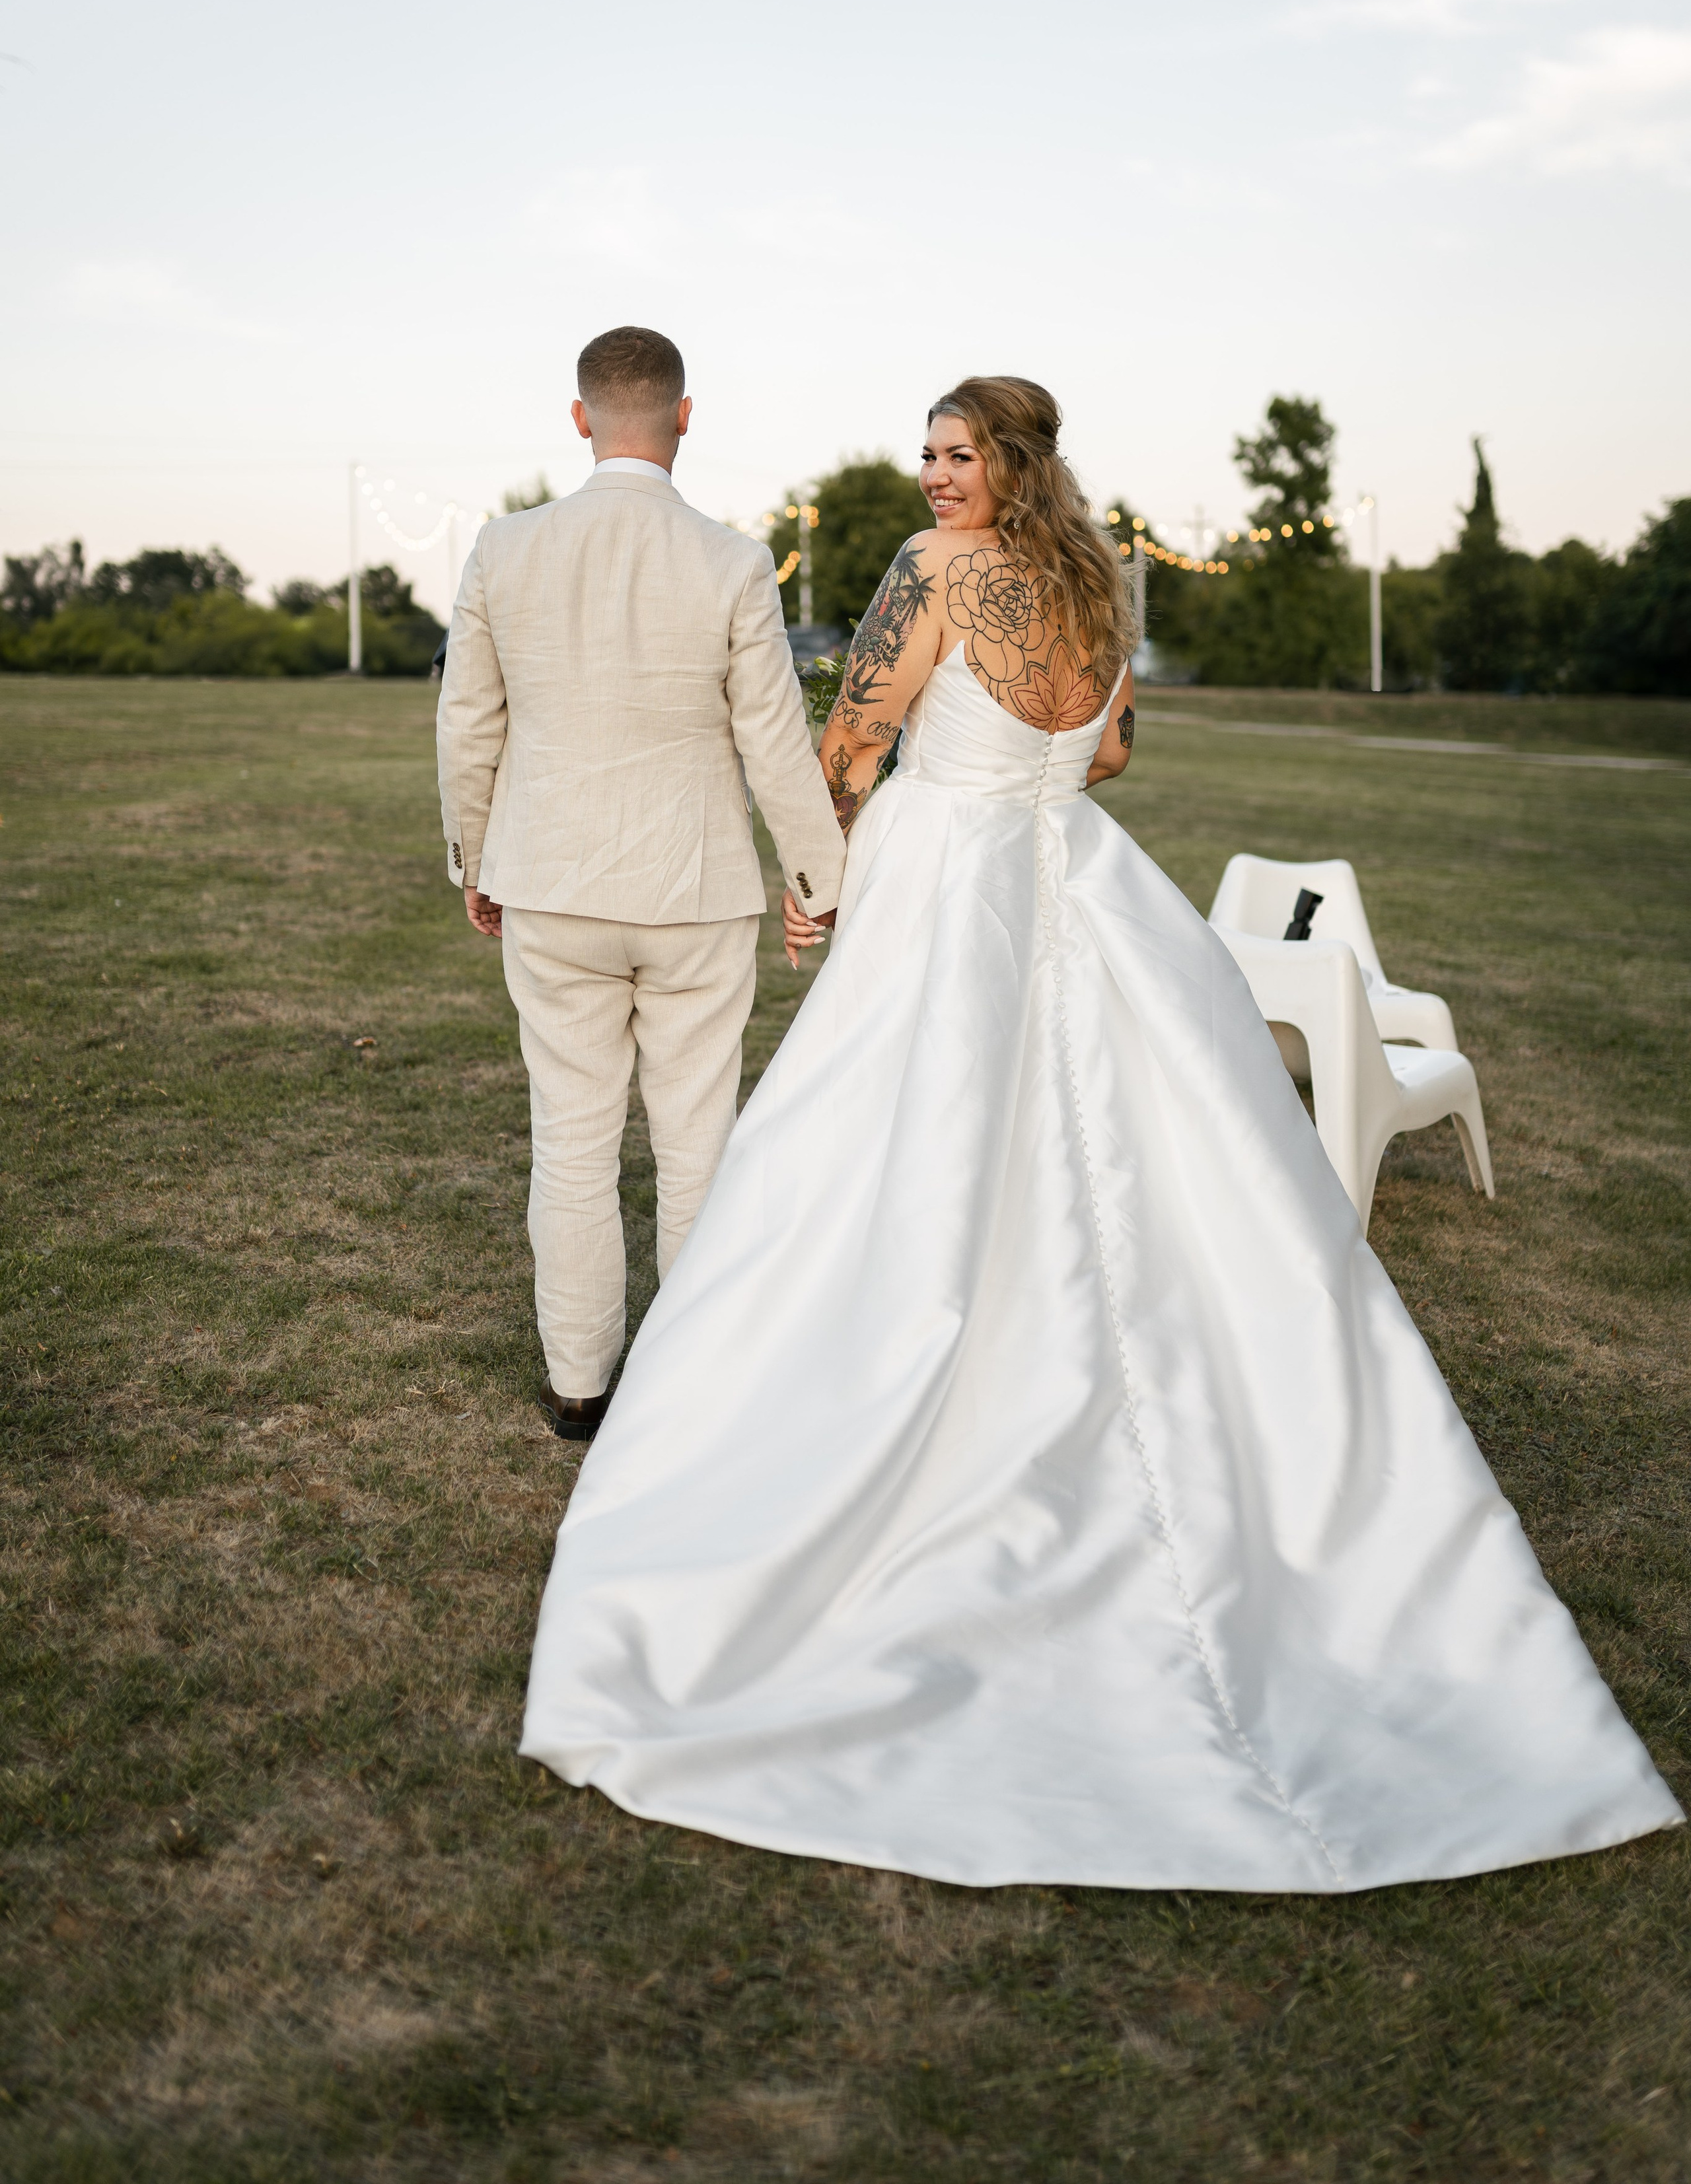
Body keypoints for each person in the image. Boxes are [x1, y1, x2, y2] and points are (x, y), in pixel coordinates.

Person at [519, 375, 1680, 1893]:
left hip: (947, 881)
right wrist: (1026, 758)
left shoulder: (931, 574)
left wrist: (821, 871)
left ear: (1006, 461)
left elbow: (851, 741)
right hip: (1077, 870)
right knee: (1127, 1163)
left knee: (890, 1152)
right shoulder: (1095, 581)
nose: (930, 476)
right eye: (924, 454)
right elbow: (1112, 757)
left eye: (954, 452)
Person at [436, 326, 845, 1442]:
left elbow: (470, 721)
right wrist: (817, 874)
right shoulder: (732, 559)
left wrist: (476, 857)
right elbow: (771, 740)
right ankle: (695, 1376)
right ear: (684, 415)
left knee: (570, 1137)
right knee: (697, 1138)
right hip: (695, 887)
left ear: (581, 419)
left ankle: (580, 1383)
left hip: (553, 882)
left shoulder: (504, 547)